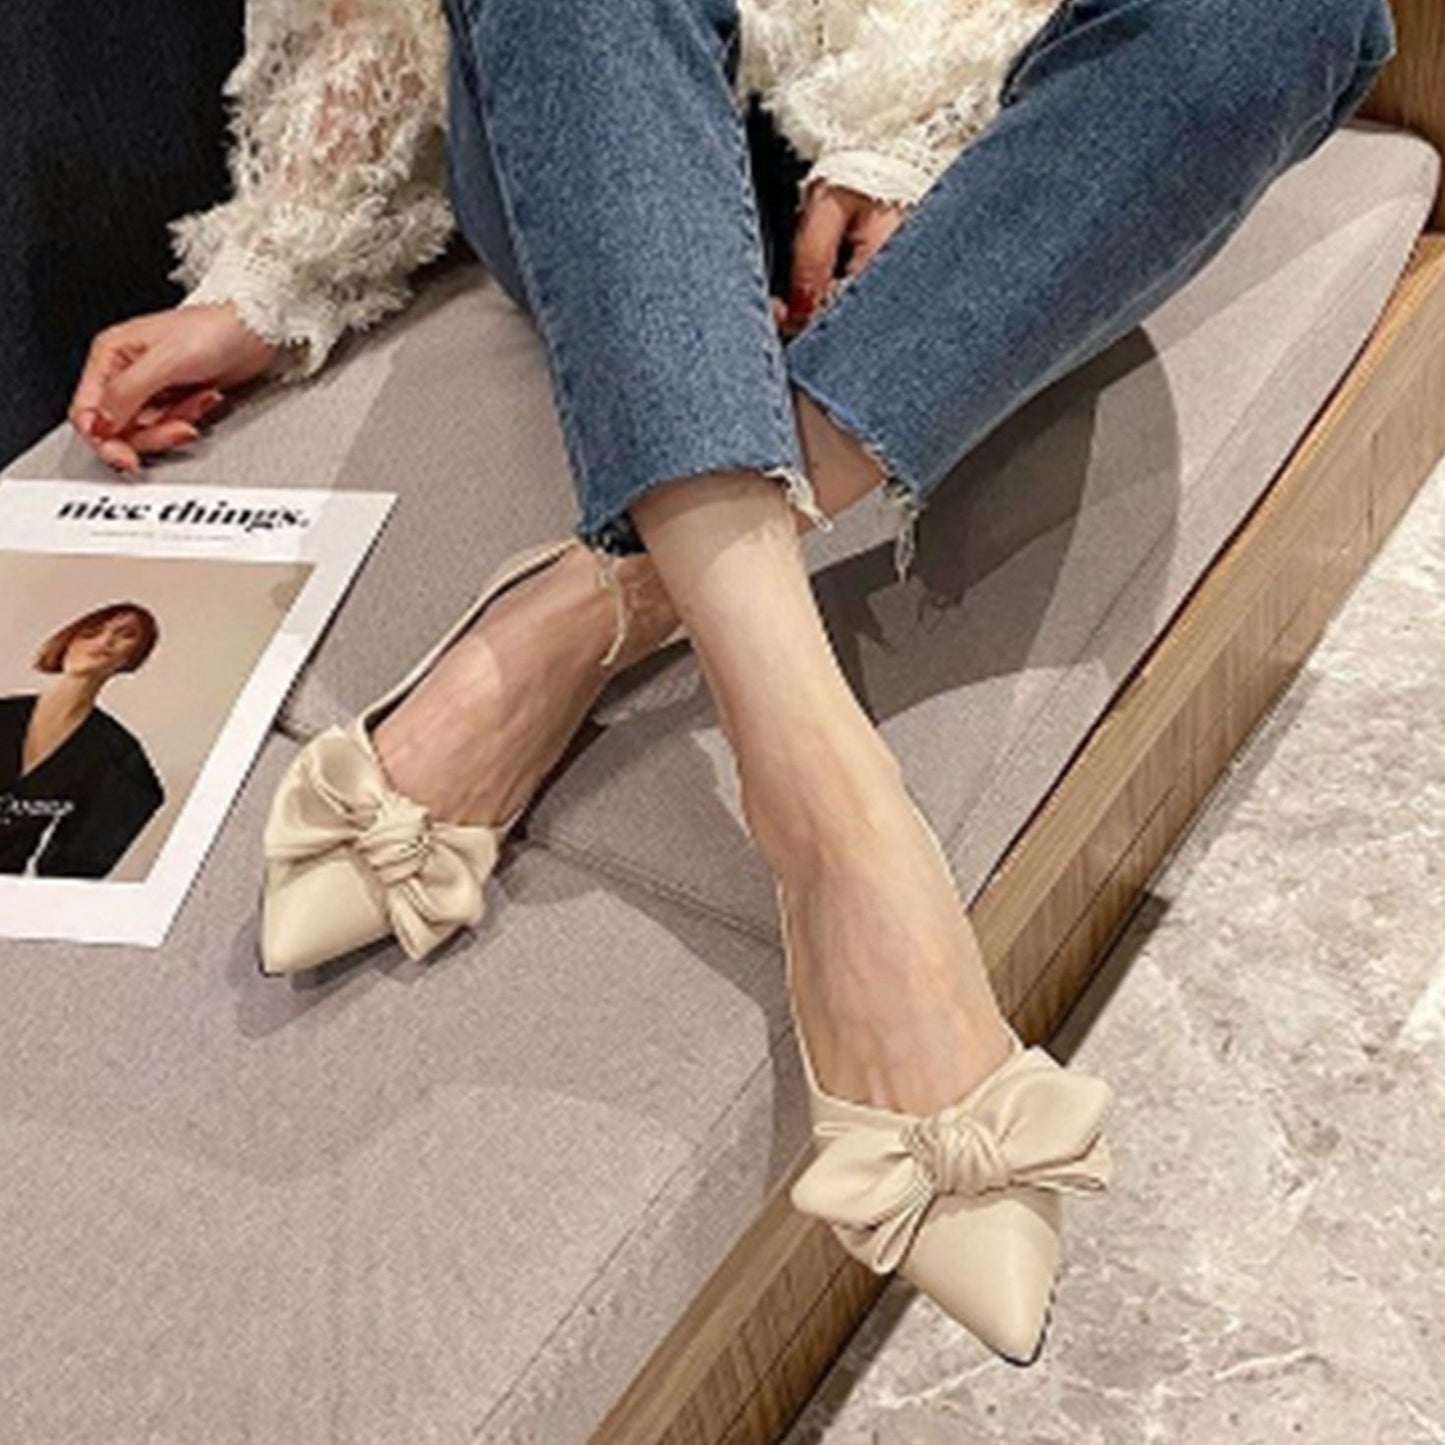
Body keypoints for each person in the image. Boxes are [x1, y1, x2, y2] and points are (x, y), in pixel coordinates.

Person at [65, 0, 1398, 1362]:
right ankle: (834, 818)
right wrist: (272, 276)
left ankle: (590, 608)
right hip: (603, 134)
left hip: (981, 175)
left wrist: (909, 126)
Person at [0, 603, 166, 878]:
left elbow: (79, 863)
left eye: (125, 635)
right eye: (91, 633)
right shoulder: (4, 716)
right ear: (66, 644)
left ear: (132, 658)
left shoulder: (117, 755)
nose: (106, 641)